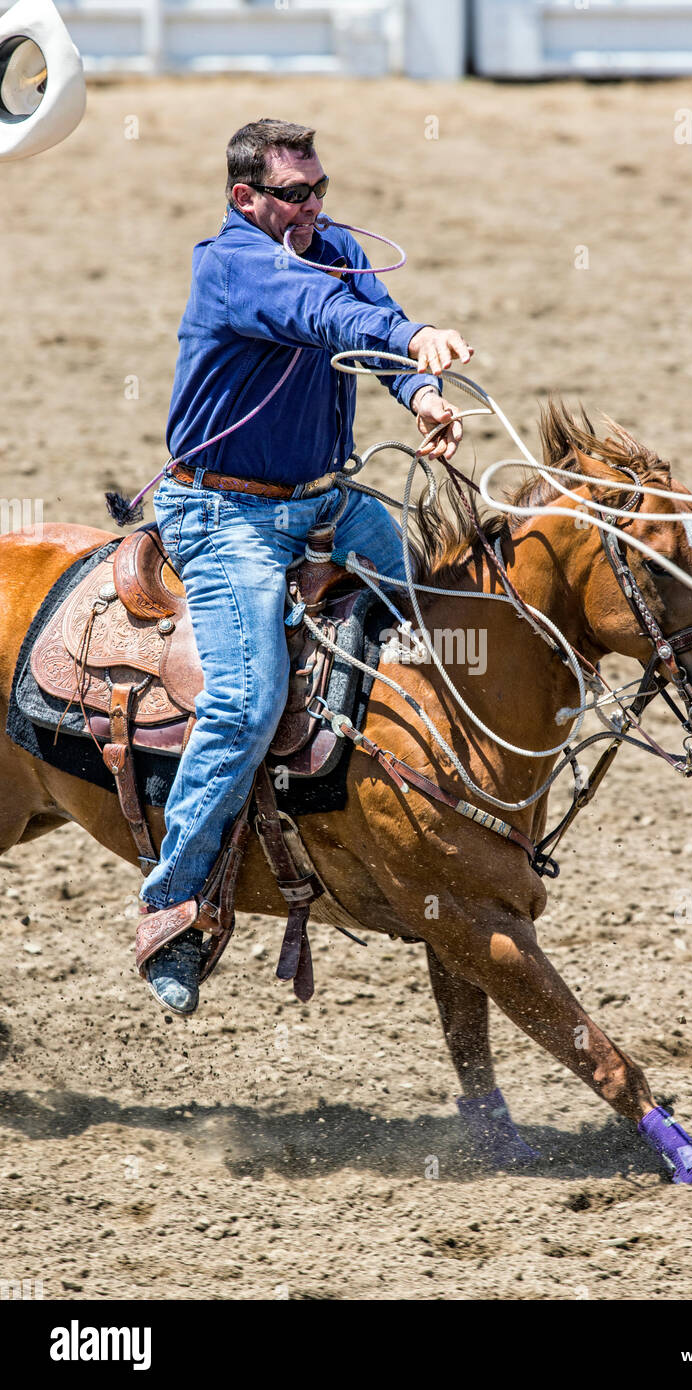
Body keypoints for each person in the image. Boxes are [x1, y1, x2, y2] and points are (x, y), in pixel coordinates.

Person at [139, 118, 472, 1015]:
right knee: (245, 703)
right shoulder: (235, 263)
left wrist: (425, 392)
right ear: (245, 198)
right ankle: (173, 903)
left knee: (453, 613)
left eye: (318, 187)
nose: (312, 206)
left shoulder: (335, 247)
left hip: (326, 498)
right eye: (293, 193)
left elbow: (376, 328)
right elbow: (329, 316)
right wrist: (414, 341)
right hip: (224, 513)